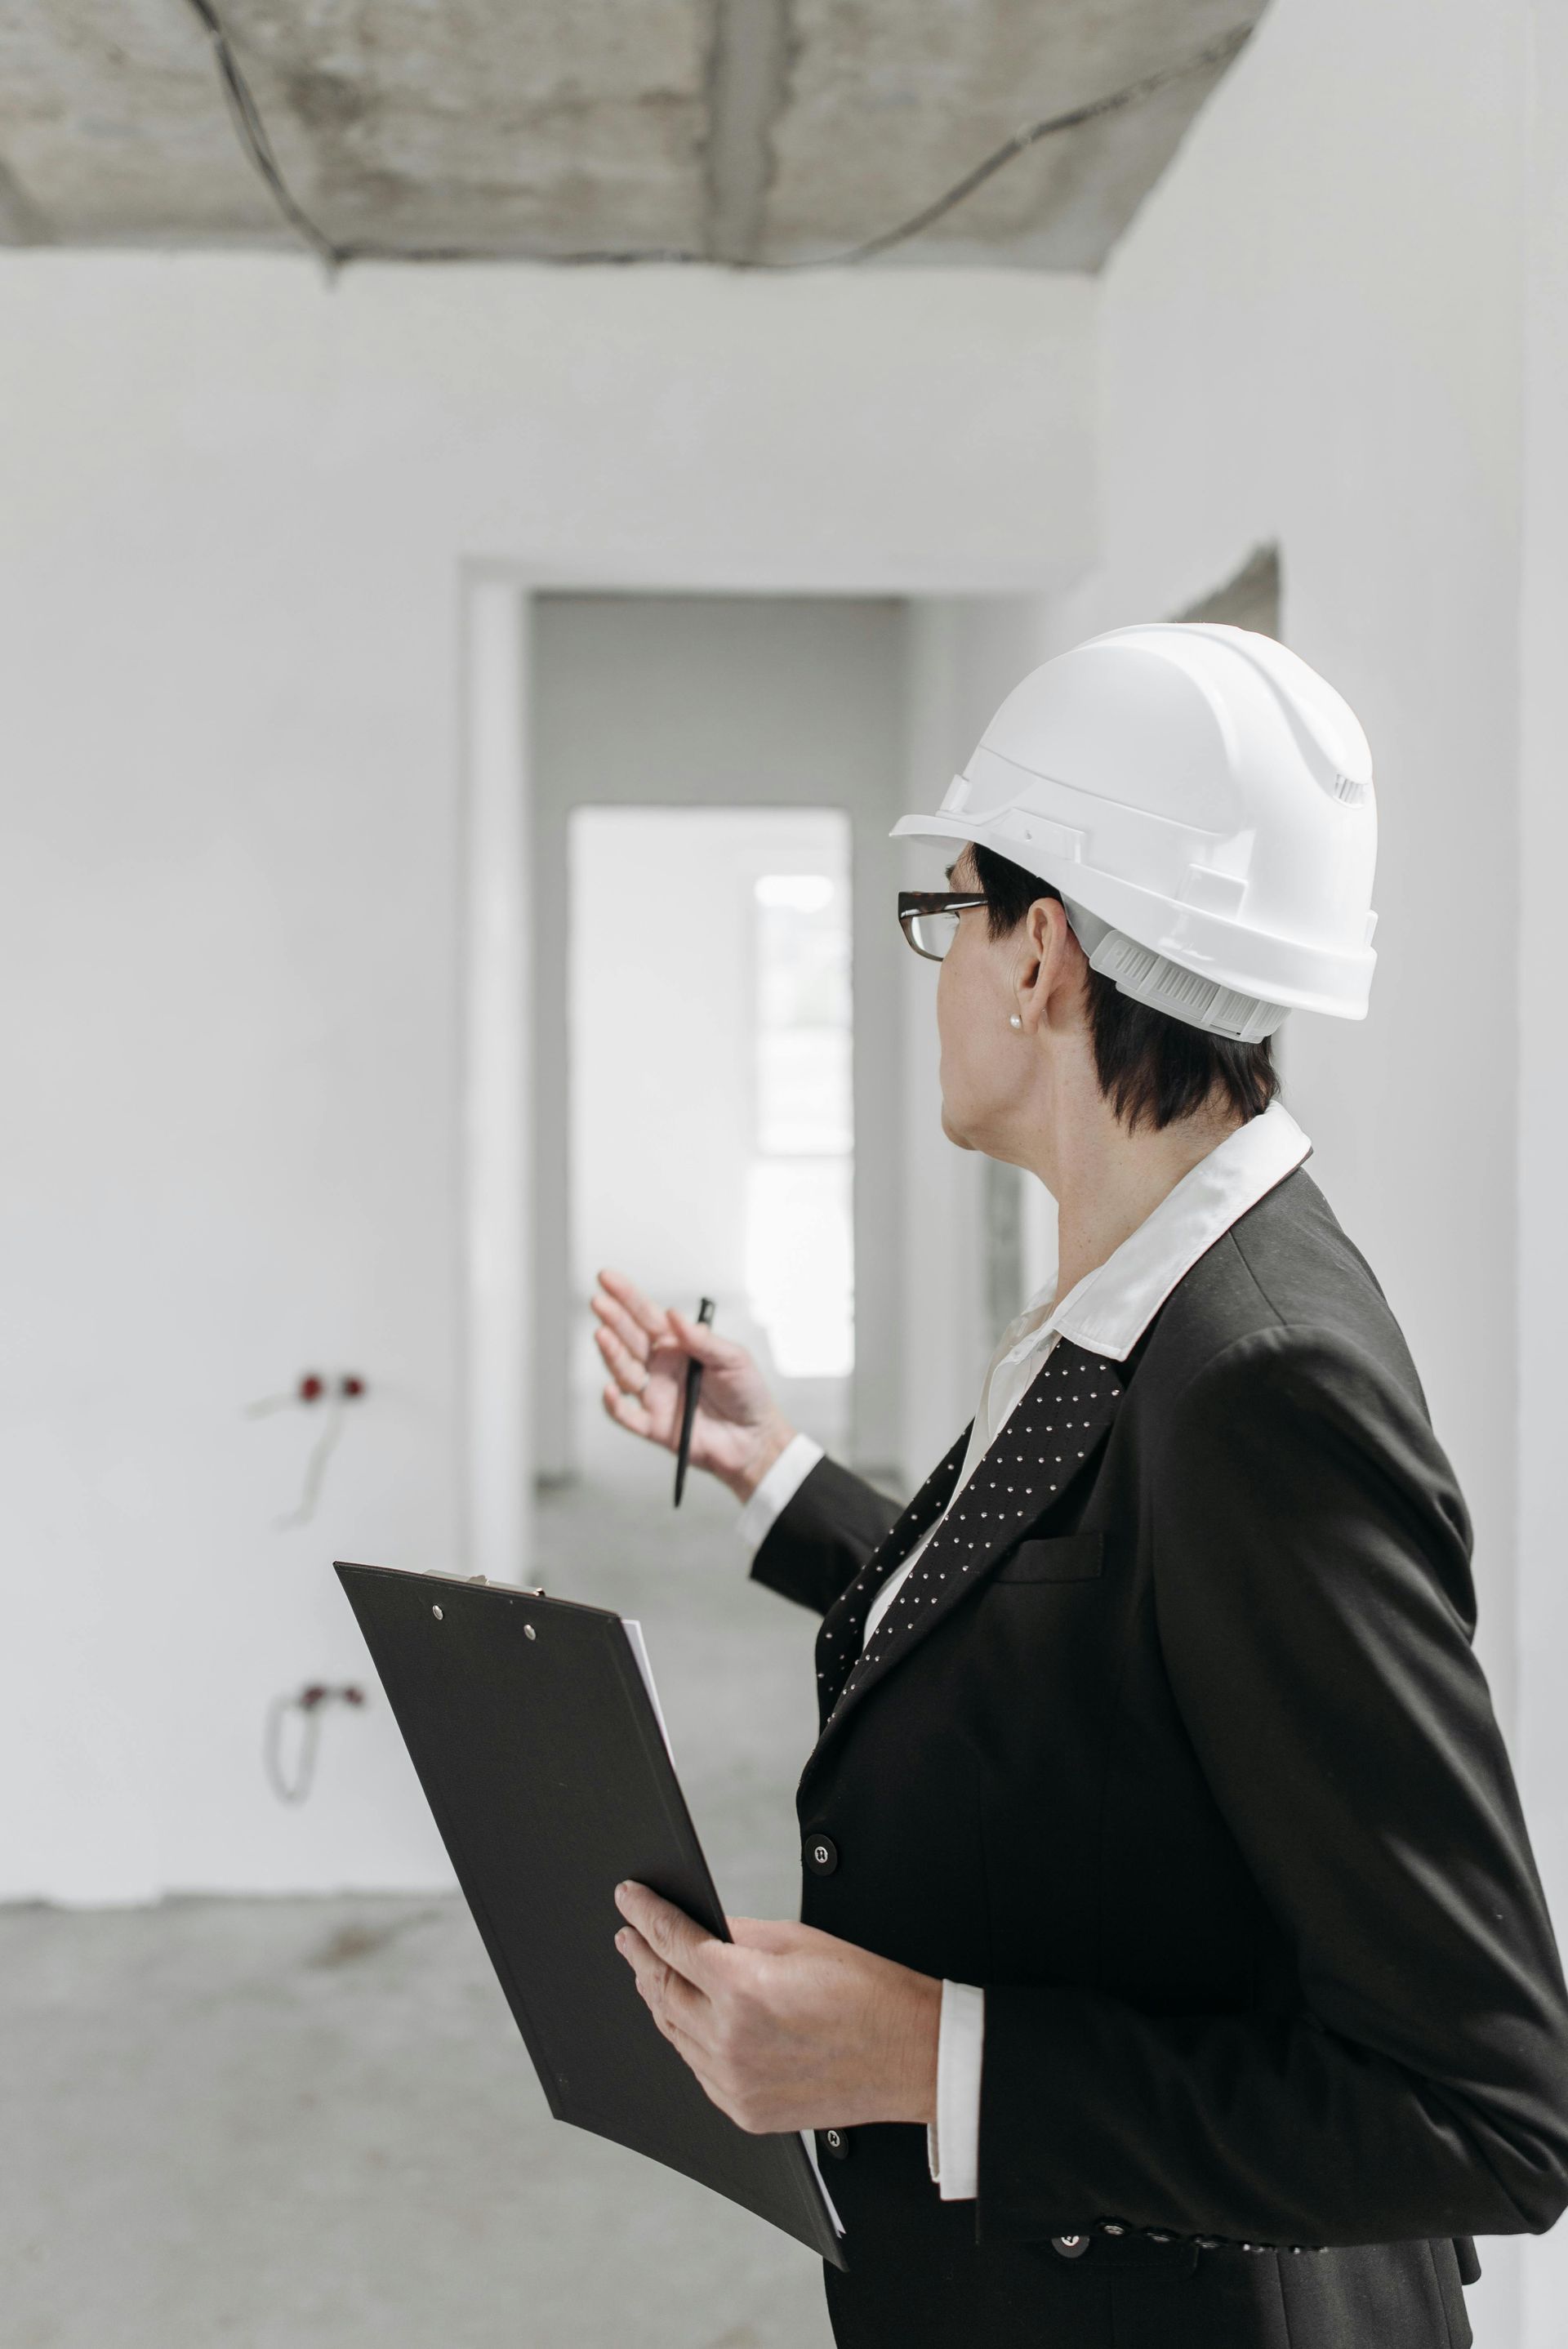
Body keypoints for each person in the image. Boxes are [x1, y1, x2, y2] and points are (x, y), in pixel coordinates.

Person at [592, 624, 1568, 2348]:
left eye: (949, 911)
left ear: (1041, 951)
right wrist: (785, 1475)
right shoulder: (1152, 1283)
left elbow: (1487, 2107)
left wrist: (919, 2052)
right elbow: (1096, 1630)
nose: (943, 964)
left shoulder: (1268, 1379)